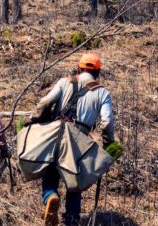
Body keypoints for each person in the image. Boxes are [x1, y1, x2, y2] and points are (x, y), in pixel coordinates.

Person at [33, 52, 115, 226]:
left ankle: (50, 196)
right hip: (79, 137)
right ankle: (71, 218)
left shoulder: (65, 82)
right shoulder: (102, 93)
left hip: (56, 131)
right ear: (98, 72)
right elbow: (107, 123)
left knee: (50, 172)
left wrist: (35, 119)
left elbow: (45, 101)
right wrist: (108, 143)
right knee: (74, 179)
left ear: (79, 68)